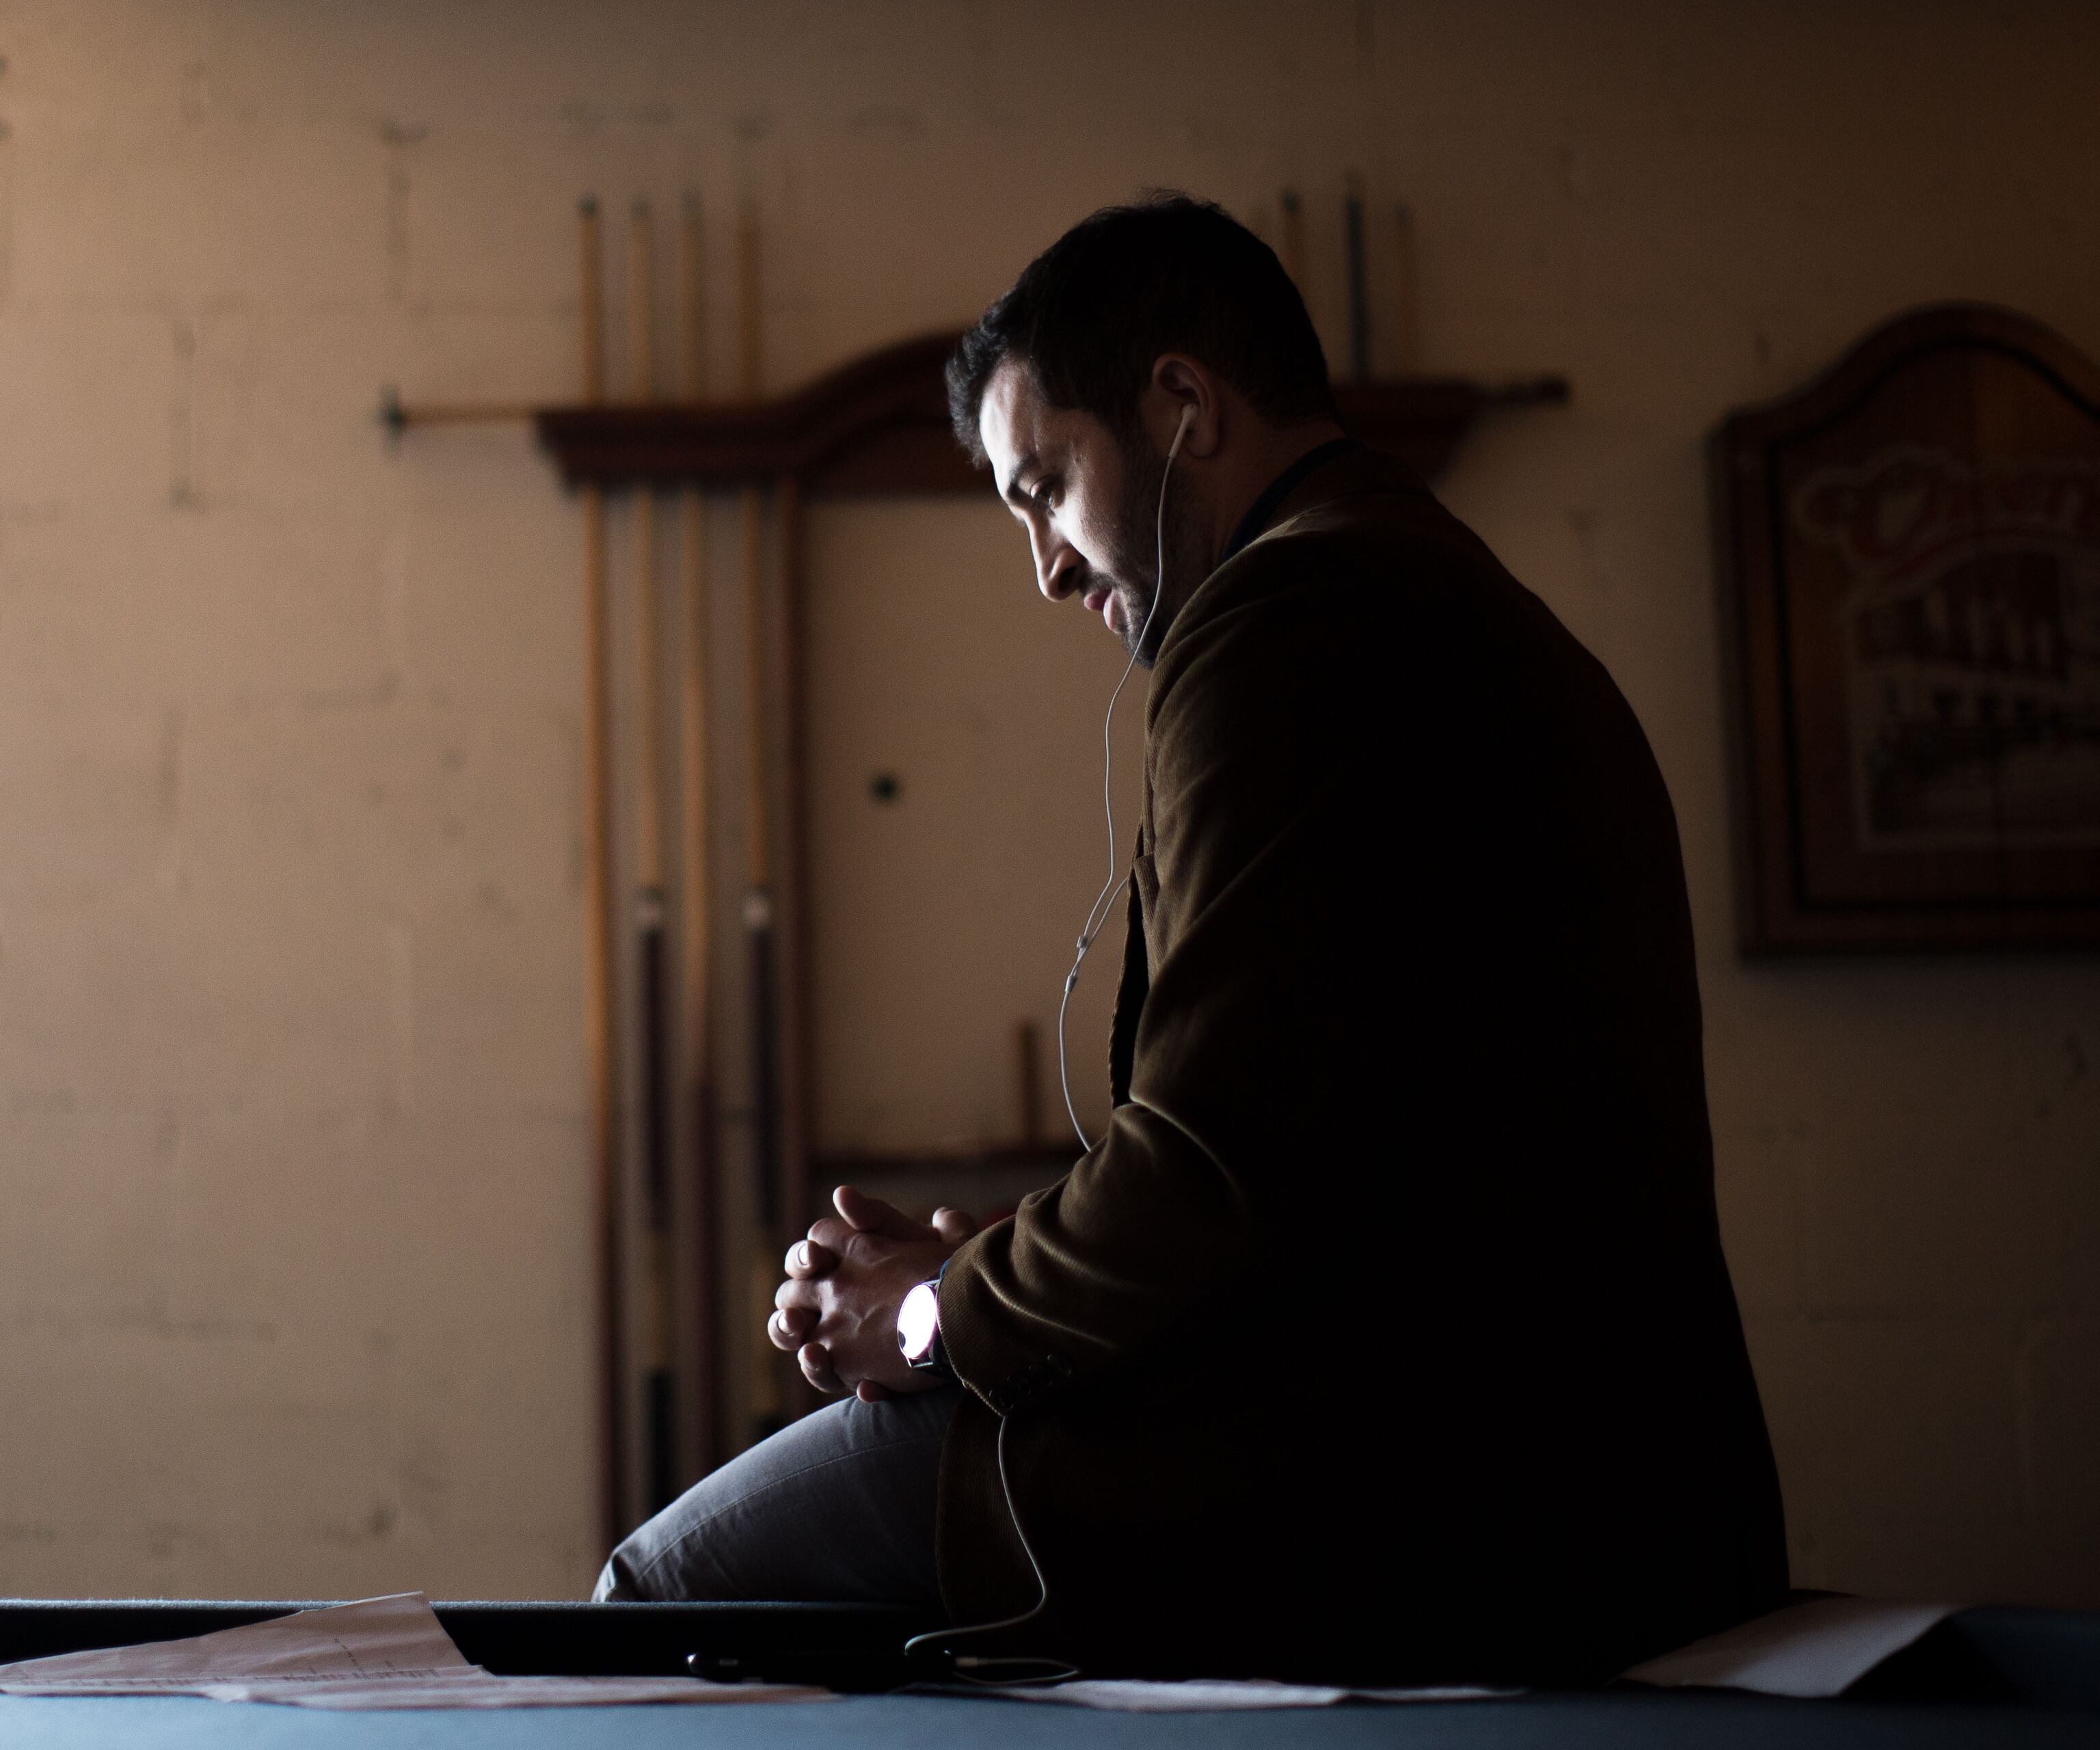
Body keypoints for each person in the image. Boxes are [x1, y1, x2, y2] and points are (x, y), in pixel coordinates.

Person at [595, 192, 1787, 1686]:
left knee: (646, 1599)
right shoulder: (1445, 596)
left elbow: (1211, 1174)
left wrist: (927, 1313)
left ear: (1180, 404)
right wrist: (989, 1261)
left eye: (1047, 486)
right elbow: (1328, 1151)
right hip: (1598, 1484)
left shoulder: (1287, 619)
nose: (1046, 568)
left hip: (1413, 1484)